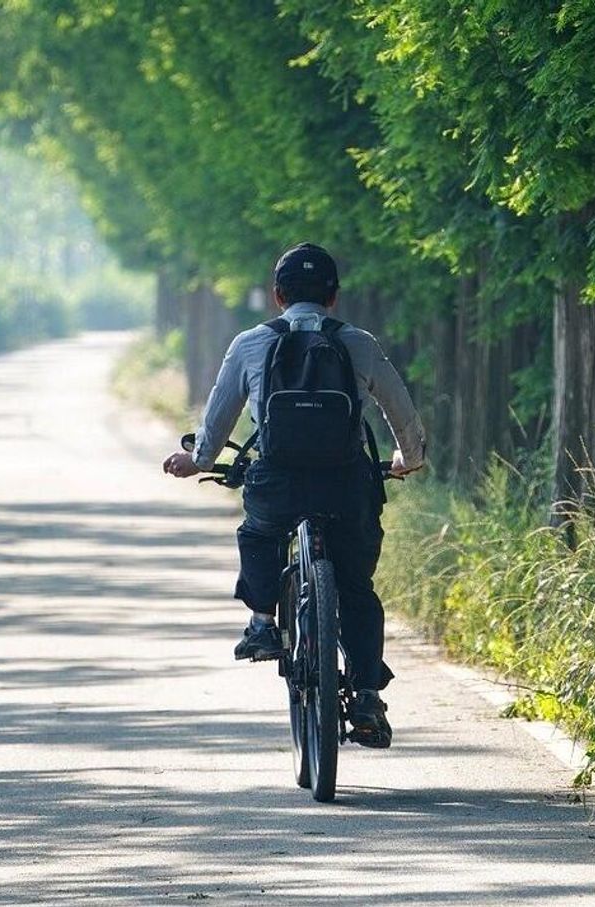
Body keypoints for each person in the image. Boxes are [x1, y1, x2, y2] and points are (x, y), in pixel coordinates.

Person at [162, 242, 426, 748]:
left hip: (277, 482)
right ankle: (367, 693)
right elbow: (401, 411)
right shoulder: (359, 343)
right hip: (347, 484)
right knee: (356, 589)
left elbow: (218, 420)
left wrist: (195, 460)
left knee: (258, 532)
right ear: (334, 297)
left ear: (278, 296)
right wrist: (407, 460)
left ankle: (262, 621)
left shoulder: (250, 343)